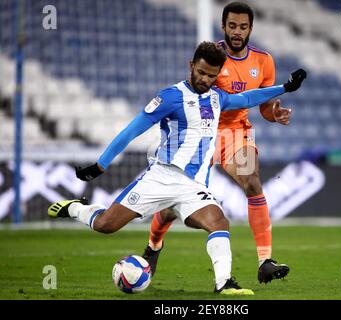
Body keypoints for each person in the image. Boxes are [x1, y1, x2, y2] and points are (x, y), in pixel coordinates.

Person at [48, 42, 306, 295]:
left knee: (219, 222)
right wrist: (100, 164)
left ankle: (224, 283)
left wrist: (284, 88)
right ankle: (76, 208)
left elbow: (248, 97)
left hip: (193, 186)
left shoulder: (218, 98)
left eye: (211, 76)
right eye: (201, 72)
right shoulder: (170, 97)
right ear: (191, 65)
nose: (205, 79)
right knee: (106, 225)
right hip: (161, 177)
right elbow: (132, 131)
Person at [143, 2, 297, 284]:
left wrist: (274, 114)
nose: (237, 32)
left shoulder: (264, 61)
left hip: (235, 133)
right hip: (200, 132)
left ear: (250, 28)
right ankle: (153, 246)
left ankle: (265, 261)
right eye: (232, 26)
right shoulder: (211, 56)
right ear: (223, 26)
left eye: (243, 27)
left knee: (252, 182)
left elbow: (263, 106)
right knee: (169, 208)